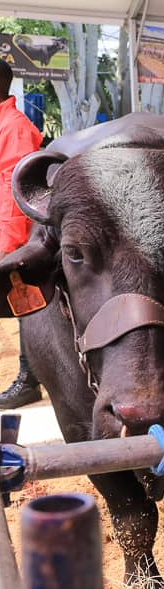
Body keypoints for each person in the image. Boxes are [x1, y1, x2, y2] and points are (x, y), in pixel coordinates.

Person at [0, 59, 43, 409]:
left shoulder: (15, 127)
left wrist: (8, 248)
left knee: (27, 306)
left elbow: (15, 193)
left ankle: (29, 381)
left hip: (17, 239)